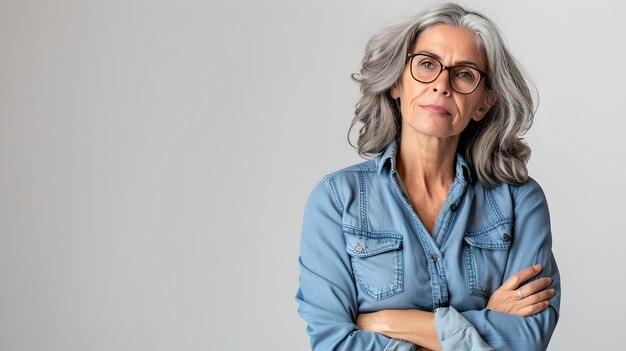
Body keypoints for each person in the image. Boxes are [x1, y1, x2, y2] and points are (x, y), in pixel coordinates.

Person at [295, 3, 560, 351]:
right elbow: (333, 343)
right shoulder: (336, 199)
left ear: (483, 103)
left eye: (464, 74)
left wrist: (391, 323)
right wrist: (476, 328)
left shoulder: (519, 199)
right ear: (396, 84)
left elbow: (527, 340)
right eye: (426, 65)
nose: (441, 85)